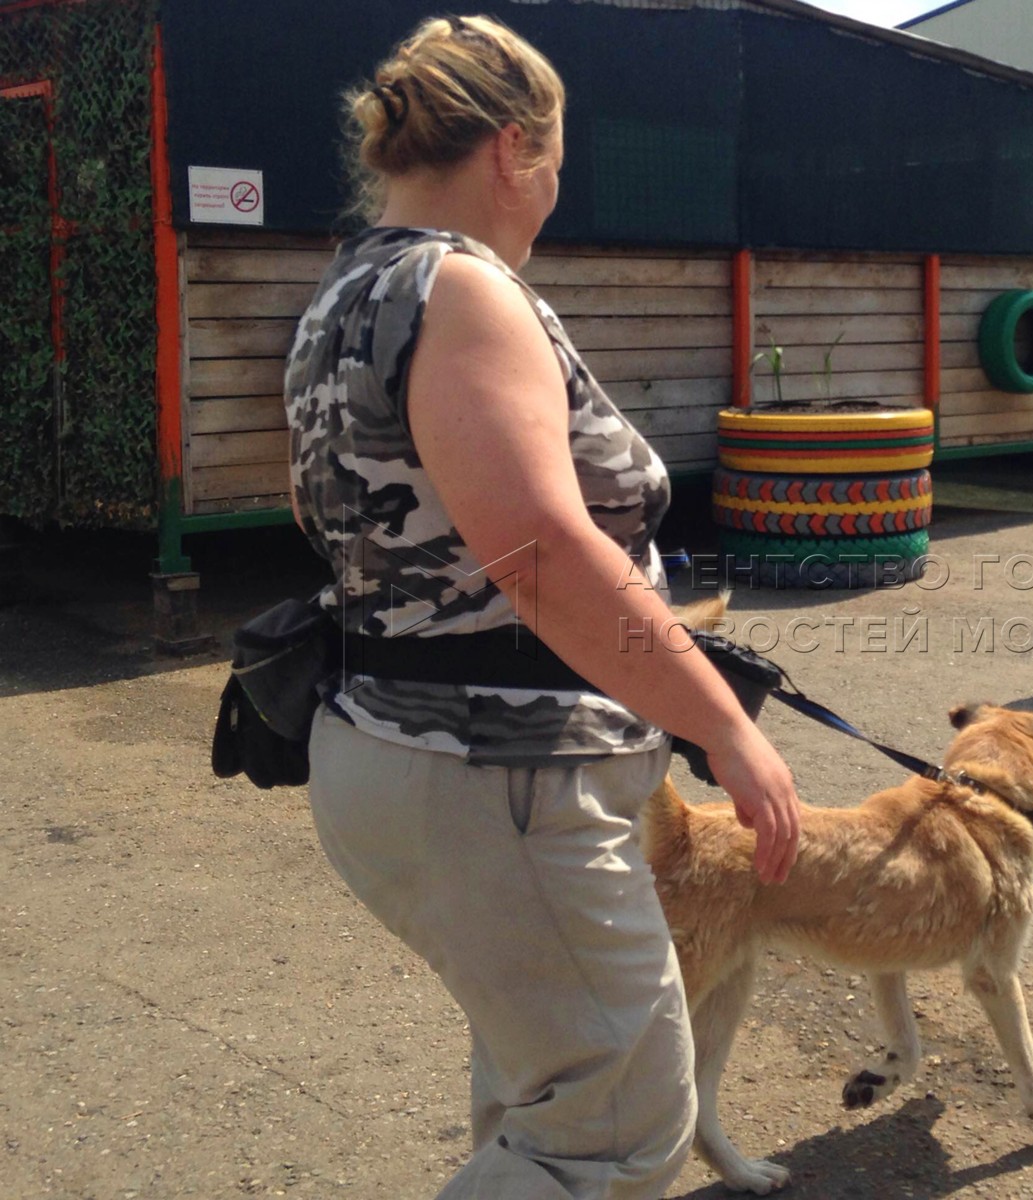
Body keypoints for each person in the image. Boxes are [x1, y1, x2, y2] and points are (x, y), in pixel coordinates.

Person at [283, 15, 801, 1199]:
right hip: (498, 778)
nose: (557, 188)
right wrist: (722, 723)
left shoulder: (346, 291)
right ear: (514, 147)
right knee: (612, 1135)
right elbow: (541, 554)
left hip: (427, 759)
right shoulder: (462, 288)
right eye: (557, 160)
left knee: (546, 1094)